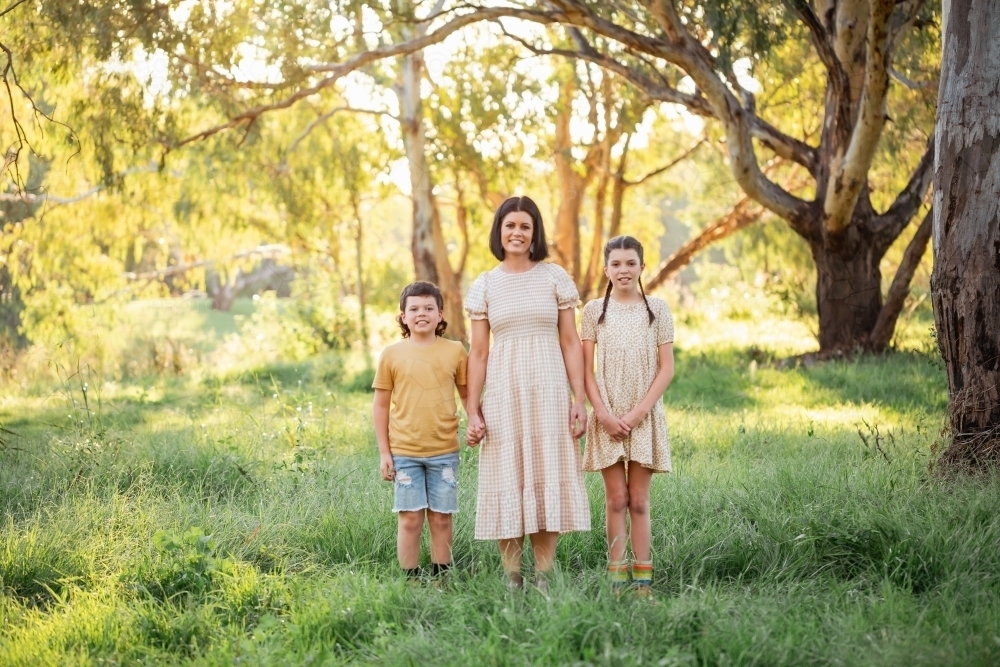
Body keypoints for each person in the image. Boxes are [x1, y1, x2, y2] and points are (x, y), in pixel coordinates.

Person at [464, 195, 590, 592]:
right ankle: (512, 579)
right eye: (510, 226)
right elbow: (479, 352)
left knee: (545, 471)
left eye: (525, 226)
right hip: (503, 391)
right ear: (498, 231)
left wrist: (579, 398)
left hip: (550, 389)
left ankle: (545, 577)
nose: (516, 233)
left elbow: (570, 342)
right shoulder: (486, 284)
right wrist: (472, 410)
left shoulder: (554, 277)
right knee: (507, 475)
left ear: (534, 233)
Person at [580, 235, 675, 596]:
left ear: (641, 267)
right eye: (616, 264)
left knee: (638, 500)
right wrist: (602, 413)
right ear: (606, 269)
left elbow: (666, 369)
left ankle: (644, 584)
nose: (623, 270)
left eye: (630, 263)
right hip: (607, 415)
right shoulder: (593, 311)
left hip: (643, 414)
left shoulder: (658, 309)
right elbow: (585, 370)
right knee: (615, 499)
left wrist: (638, 413)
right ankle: (617, 580)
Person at [372, 281, 468, 582]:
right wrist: (385, 452)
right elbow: (381, 407)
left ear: (441, 315)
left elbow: (467, 396)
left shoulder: (455, 351)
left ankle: (443, 580)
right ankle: (410, 581)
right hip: (405, 453)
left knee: (441, 519)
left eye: (428, 308)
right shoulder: (391, 354)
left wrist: (476, 422)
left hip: (444, 452)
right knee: (411, 519)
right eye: (413, 308)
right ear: (402, 316)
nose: (421, 313)